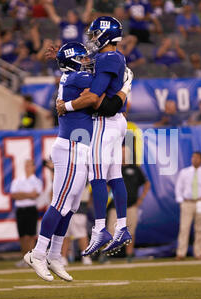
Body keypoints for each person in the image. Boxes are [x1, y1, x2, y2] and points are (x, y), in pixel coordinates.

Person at [25, 40, 133, 282]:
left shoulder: (71, 76)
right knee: (61, 202)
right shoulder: (77, 78)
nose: (87, 61)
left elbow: (92, 91)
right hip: (71, 147)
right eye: (82, 58)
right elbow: (98, 98)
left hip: (78, 146)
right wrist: (125, 85)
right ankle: (37, 252)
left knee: (71, 206)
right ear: (73, 62)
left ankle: (54, 255)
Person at [56, 17, 134, 257]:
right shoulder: (109, 57)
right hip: (115, 123)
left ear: (106, 34)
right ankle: (121, 226)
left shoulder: (110, 58)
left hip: (105, 123)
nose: (92, 38)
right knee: (114, 175)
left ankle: (100, 228)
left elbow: (93, 97)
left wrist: (66, 106)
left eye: (95, 34)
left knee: (96, 175)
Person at [107, 145, 151, 262]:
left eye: (124, 152)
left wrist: (141, 199)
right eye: (120, 152)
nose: (122, 155)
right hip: (115, 205)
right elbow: (106, 185)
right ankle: (108, 254)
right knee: (112, 229)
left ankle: (129, 254)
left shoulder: (135, 169)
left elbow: (146, 183)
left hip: (131, 205)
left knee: (130, 231)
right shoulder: (113, 168)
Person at [175, 151, 201, 260]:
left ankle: (198, 253)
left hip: (200, 202)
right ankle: (181, 253)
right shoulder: (184, 172)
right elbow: (179, 187)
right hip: (187, 202)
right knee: (184, 228)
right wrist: (181, 200)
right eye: (193, 157)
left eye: (197, 158)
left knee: (199, 228)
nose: (195, 159)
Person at [10, 159, 43, 268]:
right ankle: (24, 258)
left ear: (33, 167)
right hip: (20, 209)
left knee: (30, 235)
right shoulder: (18, 180)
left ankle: (31, 258)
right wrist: (28, 194)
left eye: (29, 165)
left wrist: (22, 194)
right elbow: (14, 195)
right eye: (26, 165)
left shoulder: (36, 181)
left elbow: (35, 195)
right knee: (22, 235)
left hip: (30, 209)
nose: (27, 168)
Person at [62, 184, 93, 266]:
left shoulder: (83, 175)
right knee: (65, 234)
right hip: (66, 207)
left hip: (79, 208)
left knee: (81, 233)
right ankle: (63, 257)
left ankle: (86, 256)